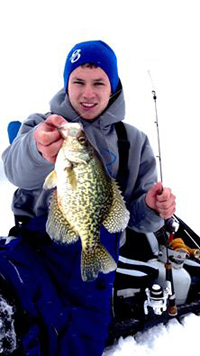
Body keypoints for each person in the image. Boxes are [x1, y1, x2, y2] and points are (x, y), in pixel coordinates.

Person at [1, 40, 176, 356]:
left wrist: (152, 207)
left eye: (99, 83)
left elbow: (134, 217)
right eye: (78, 82)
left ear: (114, 86)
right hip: (34, 245)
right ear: (66, 84)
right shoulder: (43, 126)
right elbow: (15, 169)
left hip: (94, 254)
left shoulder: (133, 142)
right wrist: (38, 150)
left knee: (78, 336)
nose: (88, 92)